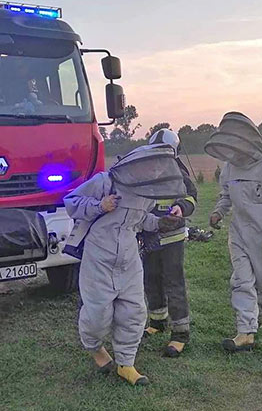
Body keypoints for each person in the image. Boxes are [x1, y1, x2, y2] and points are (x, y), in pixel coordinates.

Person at [64, 144, 187, 385]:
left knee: (134, 312)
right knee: (98, 313)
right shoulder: (104, 182)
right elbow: (71, 203)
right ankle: (95, 348)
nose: (155, 172)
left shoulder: (146, 192)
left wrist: (161, 223)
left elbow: (140, 221)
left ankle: (126, 364)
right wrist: (99, 206)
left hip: (129, 257)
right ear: (138, 164)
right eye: (152, 166)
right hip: (99, 255)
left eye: (159, 168)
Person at [204, 112, 262, 352]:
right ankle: (246, 332)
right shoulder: (230, 168)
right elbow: (226, 195)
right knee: (241, 281)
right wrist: (218, 212)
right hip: (239, 234)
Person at [140, 129, 197, 358]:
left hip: (172, 237)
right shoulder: (145, 170)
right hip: (150, 234)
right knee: (151, 277)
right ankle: (157, 321)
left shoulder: (179, 171)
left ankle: (180, 334)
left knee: (173, 282)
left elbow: (192, 196)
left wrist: (182, 207)